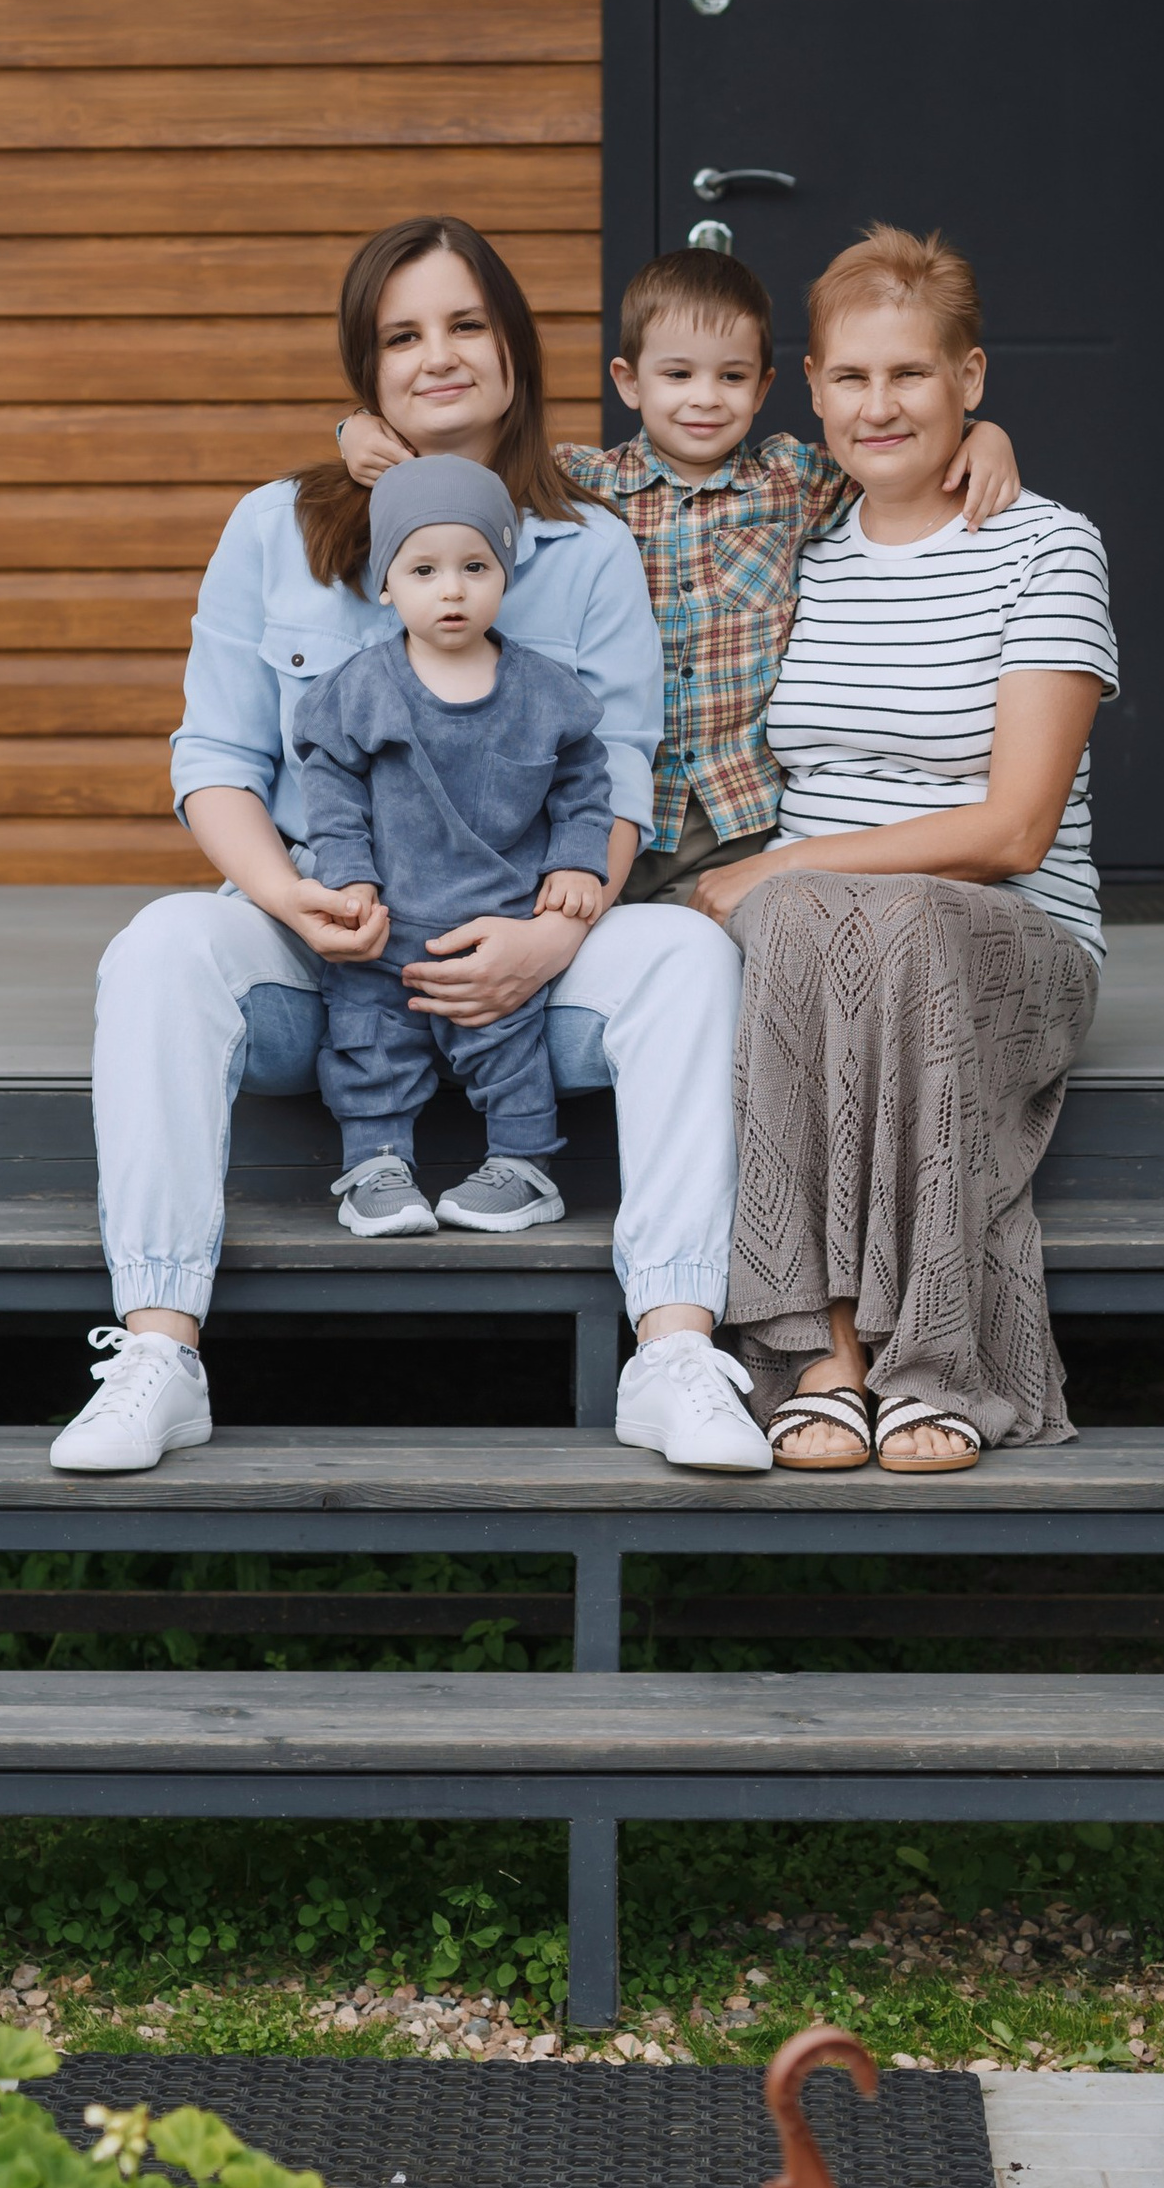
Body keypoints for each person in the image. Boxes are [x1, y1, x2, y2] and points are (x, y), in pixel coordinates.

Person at [60, 216, 771, 1479]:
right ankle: (161, 1351)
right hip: (326, 959)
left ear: (511, 346)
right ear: (366, 367)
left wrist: (552, 938)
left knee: (683, 959)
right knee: (162, 946)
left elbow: (617, 774)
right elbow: (215, 759)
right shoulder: (276, 527)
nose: (436, 357)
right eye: (401, 336)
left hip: (531, 976)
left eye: (463, 326)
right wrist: (289, 891)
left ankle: (670, 1348)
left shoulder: (590, 546)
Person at [688, 225, 1117, 1473]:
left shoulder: (1046, 543)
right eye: (852, 378)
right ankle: (822, 1355)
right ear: (812, 391)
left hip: (1001, 933)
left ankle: (935, 1358)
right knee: (816, 930)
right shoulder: (791, 547)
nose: (881, 406)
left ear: (969, 381)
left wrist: (780, 867)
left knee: (884, 919)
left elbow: (1012, 828)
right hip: (811, 943)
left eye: (912, 376)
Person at [335, 244, 1021, 908]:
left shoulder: (792, 481)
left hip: (741, 813)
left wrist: (981, 433)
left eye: (730, 376)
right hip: (609, 804)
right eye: (677, 375)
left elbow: (888, 450)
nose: (705, 399)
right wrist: (354, 428)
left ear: (766, 385)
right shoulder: (580, 482)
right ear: (629, 381)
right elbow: (464, 476)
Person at [292, 454, 615, 1239]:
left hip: (494, 932)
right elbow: (329, 789)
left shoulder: (543, 691)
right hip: (383, 930)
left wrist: (577, 858)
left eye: (475, 566)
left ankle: (525, 1166)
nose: (451, 589)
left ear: (504, 574)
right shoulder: (361, 687)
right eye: (424, 568)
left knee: (509, 1046)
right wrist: (348, 876)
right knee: (369, 1043)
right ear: (385, 583)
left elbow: (585, 782)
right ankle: (375, 1167)